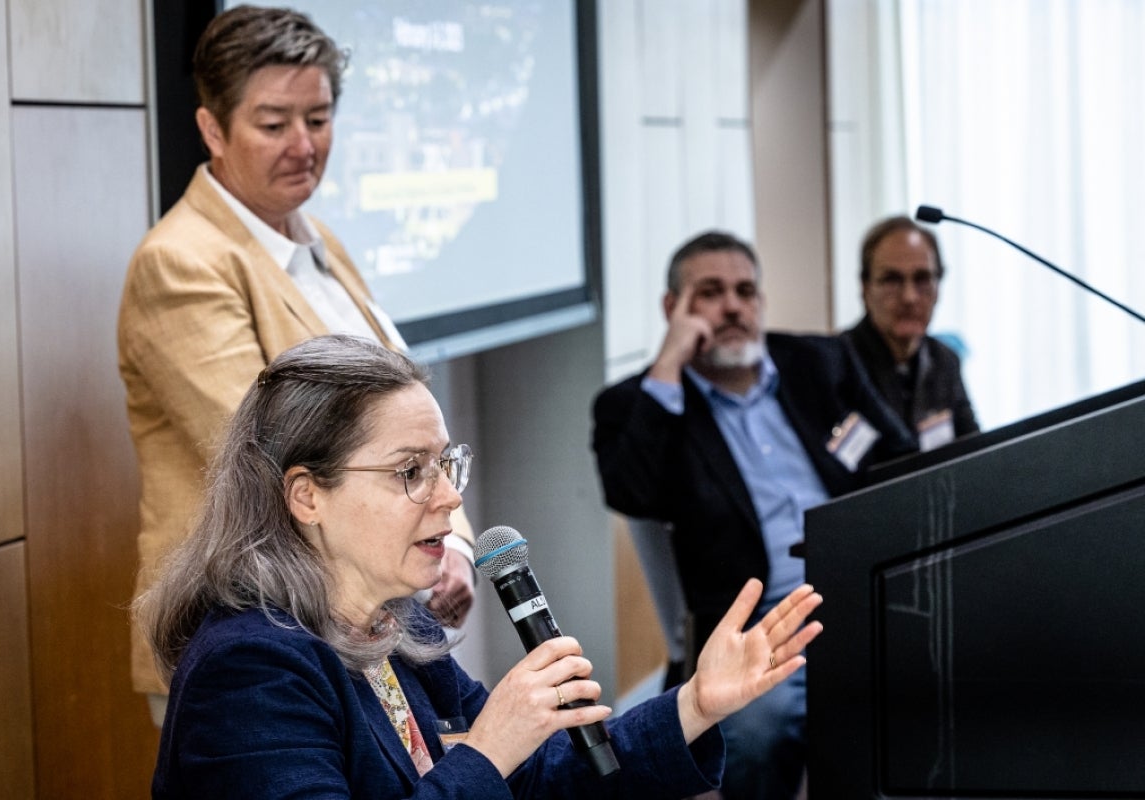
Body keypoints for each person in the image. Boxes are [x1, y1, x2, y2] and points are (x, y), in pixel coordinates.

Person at [135, 333, 824, 799]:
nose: (450, 496)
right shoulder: (250, 670)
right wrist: (489, 749)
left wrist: (695, 704)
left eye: (444, 465)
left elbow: (542, 773)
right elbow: (494, 767)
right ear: (307, 495)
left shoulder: (395, 625)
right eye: (411, 472)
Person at [117, 5, 475, 719]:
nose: (303, 145)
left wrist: (453, 543)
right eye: (274, 123)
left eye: (318, 118)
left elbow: (398, 424)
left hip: (354, 620)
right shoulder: (179, 263)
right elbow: (271, 453)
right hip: (255, 637)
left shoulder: (322, 243)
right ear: (213, 130)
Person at [591, 230, 915, 800]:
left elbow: (901, 457)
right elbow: (632, 492)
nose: (733, 306)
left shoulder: (820, 362)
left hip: (861, 595)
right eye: (710, 293)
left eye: (745, 291)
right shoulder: (638, 404)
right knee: (761, 736)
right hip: (754, 629)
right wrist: (668, 364)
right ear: (674, 308)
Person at [840, 215, 979, 450]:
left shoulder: (945, 360)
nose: (909, 297)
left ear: (938, 288)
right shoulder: (836, 365)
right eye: (892, 280)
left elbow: (976, 455)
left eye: (922, 279)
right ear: (865, 288)